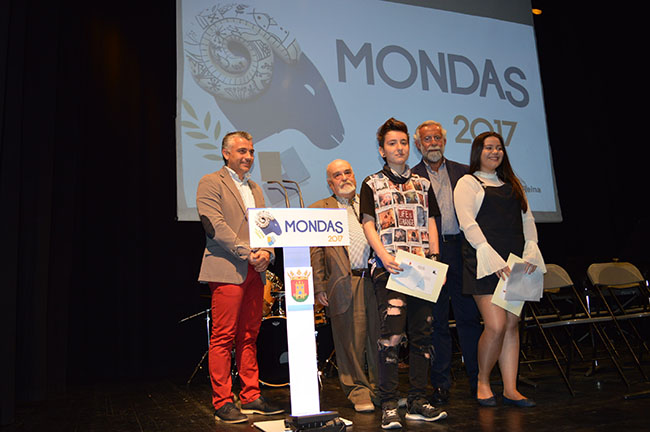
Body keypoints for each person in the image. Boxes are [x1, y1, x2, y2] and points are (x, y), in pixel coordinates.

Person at [359, 117, 447, 429]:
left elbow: (431, 221)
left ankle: (417, 400)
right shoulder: (371, 183)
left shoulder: (423, 183)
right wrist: (383, 256)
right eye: (392, 143)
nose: (399, 148)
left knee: (423, 334)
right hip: (390, 267)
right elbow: (368, 223)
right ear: (382, 150)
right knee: (392, 335)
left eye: (403, 142)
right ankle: (388, 403)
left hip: (421, 268)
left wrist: (435, 260)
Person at [453, 131, 546, 408]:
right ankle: (483, 382)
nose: (495, 152)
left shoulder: (513, 184)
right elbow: (467, 223)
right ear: (477, 152)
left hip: (514, 263)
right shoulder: (468, 182)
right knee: (495, 326)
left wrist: (531, 250)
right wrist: (490, 256)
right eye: (489, 148)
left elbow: (527, 220)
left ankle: (510, 389)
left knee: (512, 326)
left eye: (499, 148)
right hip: (484, 263)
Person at [196, 131, 284, 423]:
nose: (248, 156)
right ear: (226, 153)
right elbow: (215, 226)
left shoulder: (256, 188)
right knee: (223, 337)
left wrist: (267, 253)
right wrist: (248, 252)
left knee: (249, 335)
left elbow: (267, 227)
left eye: (251, 152)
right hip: (227, 268)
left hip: (255, 271)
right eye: (242, 151)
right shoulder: (211, 182)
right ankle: (222, 401)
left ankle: (250, 396)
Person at [412, 121, 482, 403]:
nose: (433, 143)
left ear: (444, 141)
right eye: (427, 139)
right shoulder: (412, 177)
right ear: (418, 145)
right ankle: (441, 385)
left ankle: (479, 382)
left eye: (437, 138)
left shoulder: (464, 173)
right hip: (430, 255)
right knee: (437, 322)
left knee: (469, 319)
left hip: (462, 253)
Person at [309, 159, 380, 413]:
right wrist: (319, 286)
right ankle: (358, 391)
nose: (344, 178)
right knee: (350, 340)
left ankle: (381, 390)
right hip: (344, 281)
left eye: (347, 172)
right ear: (330, 183)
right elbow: (316, 251)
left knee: (379, 338)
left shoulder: (371, 203)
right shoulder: (320, 209)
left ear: (355, 175)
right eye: (337, 175)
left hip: (376, 280)